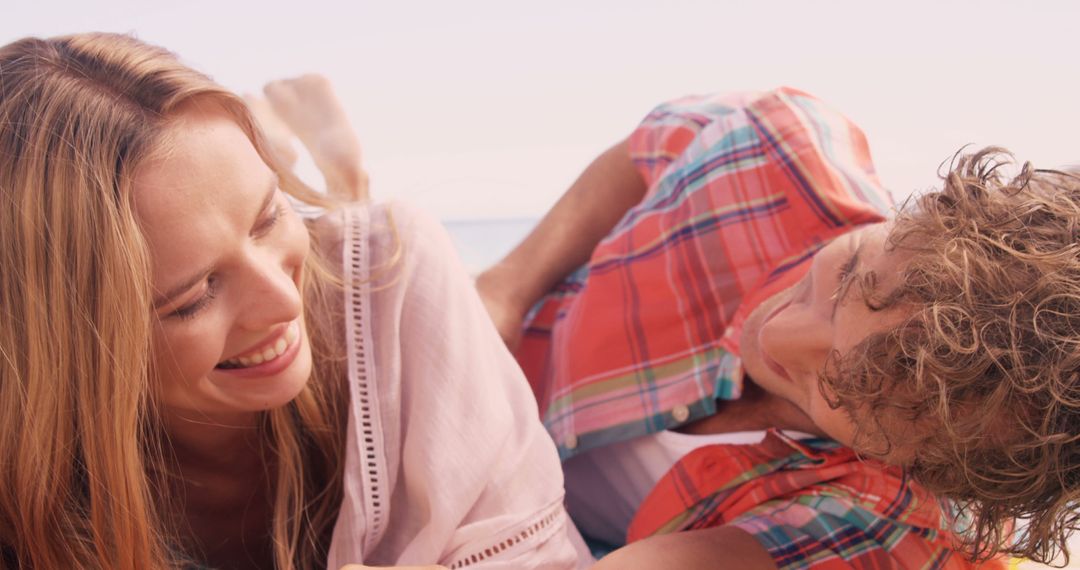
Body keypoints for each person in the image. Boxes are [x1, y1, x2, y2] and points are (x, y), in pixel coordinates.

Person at [0, 33, 588, 569]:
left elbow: (534, 552)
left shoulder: (391, 279)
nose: (284, 302)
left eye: (268, 217)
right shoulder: (29, 493)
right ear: (65, 354)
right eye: (194, 297)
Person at [476, 88, 1080, 568]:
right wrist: (508, 286)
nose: (775, 339)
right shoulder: (782, 149)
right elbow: (642, 154)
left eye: (836, 389)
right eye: (843, 279)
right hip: (478, 360)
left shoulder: (881, 520)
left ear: (924, 466)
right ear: (921, 218)